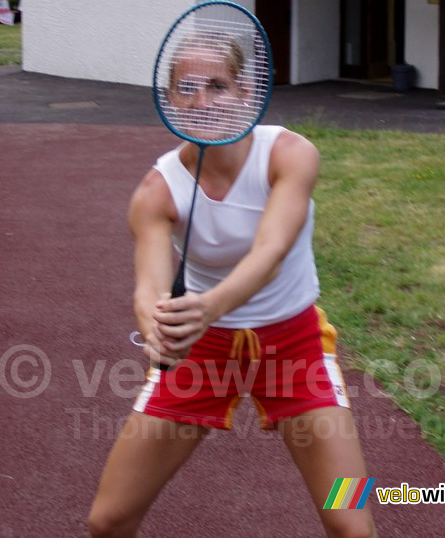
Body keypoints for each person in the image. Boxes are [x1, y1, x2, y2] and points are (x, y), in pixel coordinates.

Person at [88, 32, 378, 538]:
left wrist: (208, 304)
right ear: (170, 99)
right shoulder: (157, 191)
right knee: (107, 521)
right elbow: (148, 288)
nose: (202, 101)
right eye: (187, 88)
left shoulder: (290, 154)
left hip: (295, 344)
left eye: (218, 86)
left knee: (350, 520)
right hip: (203, 352)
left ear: (247, 90)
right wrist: (157, 327)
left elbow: (269, 252)